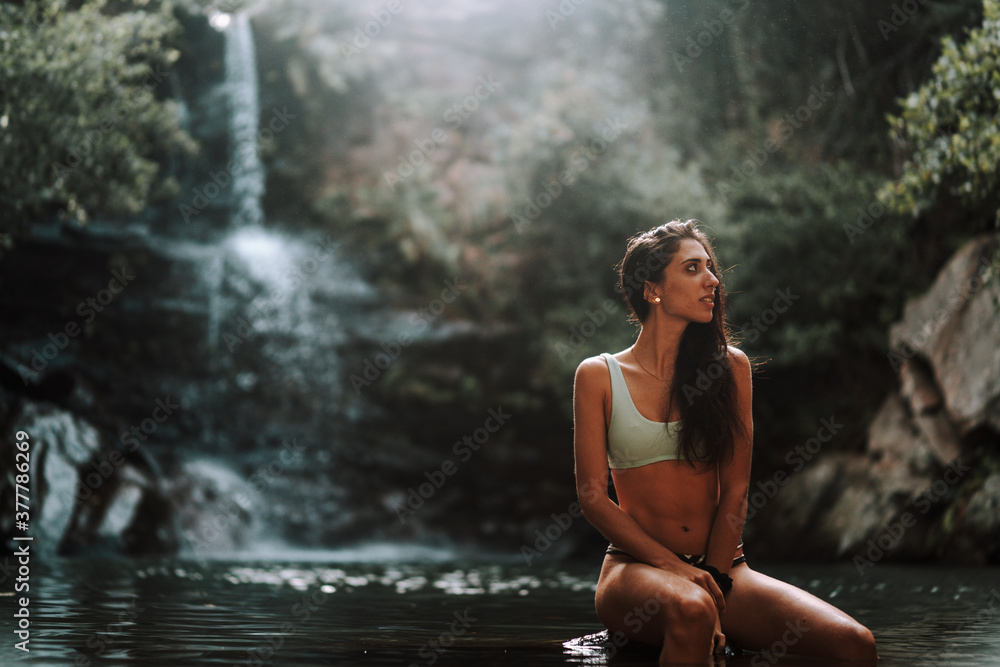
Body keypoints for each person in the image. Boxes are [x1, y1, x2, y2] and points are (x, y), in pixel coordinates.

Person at [572, 220, 878, 665]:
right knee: (690, 610)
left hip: (725, 569)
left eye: (710, 268)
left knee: (855, 645)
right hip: (635, 568)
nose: (713, 280)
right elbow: (592, 497)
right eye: (693, 268)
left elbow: (736, 490)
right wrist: (676, 569)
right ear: (653, 289)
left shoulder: (730, 369)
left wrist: (712, 579)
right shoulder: (598, 376)